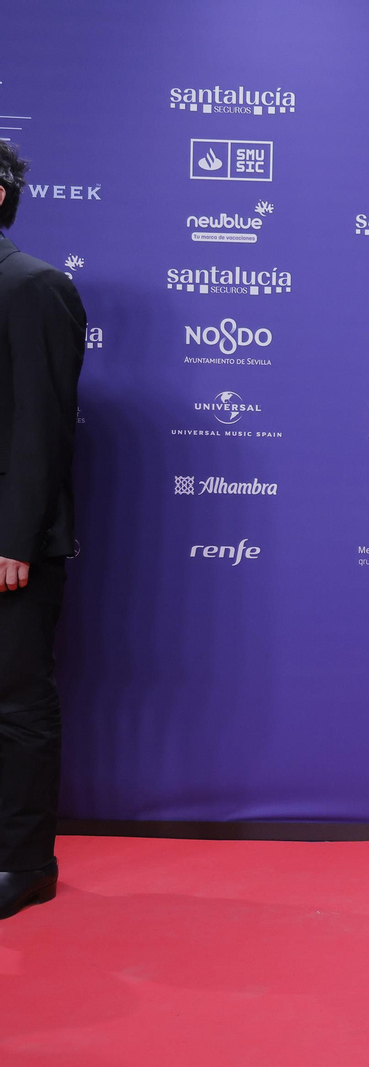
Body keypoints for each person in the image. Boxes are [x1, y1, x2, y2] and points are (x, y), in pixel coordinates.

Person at [0, 141, 87, 920]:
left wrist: (15, 539)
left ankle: (22, 863)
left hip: (8, 546)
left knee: (15, 700)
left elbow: (41, 427)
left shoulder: (33, 288)